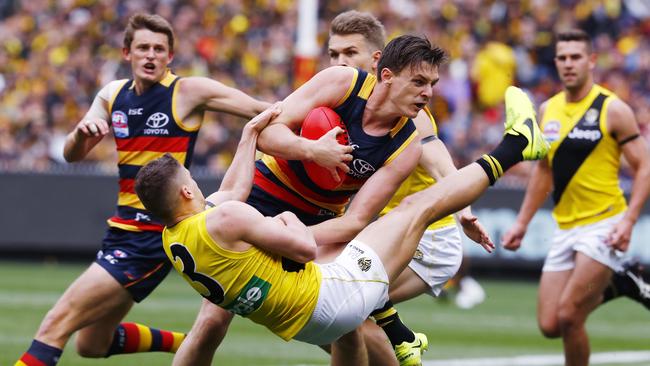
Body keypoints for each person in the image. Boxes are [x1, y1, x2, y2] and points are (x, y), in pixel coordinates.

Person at [135, 85, 548, 366]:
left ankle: (399, 332)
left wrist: (249, 136)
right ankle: (515, 144)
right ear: (188, 193)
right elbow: (304, 248)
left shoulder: (176, 237)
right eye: (191, 181)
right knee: (417, 208)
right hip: (331, 294)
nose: (197, 184)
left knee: (352, 337)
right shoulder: (227, 217)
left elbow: (233, 189)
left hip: (296, 323)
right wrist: (287, 218)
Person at [173, 34, 464, 366]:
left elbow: (355, 221)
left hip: (317, 222)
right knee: (212, 321)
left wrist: (285, 239)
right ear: (386, 75)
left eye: (432, 83)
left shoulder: (407, 145)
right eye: (419, 82)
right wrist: (313, 150)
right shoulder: (342, 82)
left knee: (351, 325)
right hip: (261, 197)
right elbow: (269, 133)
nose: (428, 93)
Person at [14, 13, 270, 366]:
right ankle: (184, 344)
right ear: (127, 53)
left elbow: (260, 110)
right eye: (143, 48)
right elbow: (71, 155)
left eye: (159, 49)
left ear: (170, 57)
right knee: (91, 344)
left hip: (150, 236)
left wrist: (310, 142)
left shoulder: (187, 92)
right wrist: (81, 134)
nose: (151, 55)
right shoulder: (111, 94)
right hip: (121, 230)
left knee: (54, 326)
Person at [326, 10, 493, 365]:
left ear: (376, 62)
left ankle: (403, 343)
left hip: (426, 238)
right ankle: (402, 341)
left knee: (349, 311)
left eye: (349, 54)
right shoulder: (342, 100)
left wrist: (464, 209)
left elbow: (437, 159)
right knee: (338, 320)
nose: (338, 62)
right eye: (333, 54)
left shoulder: (409, 111)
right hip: (382, 232)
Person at [502, 29, 650, 366]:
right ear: (555, 62)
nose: (568, 64)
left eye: (576, 57)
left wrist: (628, 221)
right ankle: (619, 285)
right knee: (550, 324)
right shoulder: (548, 110)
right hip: (564, 226)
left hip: (604, 223)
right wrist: (522, 223)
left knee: (570, 316)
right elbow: (543, 171)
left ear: (591, 61)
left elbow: (645, 167)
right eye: (562, 58)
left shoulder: (613, 109)